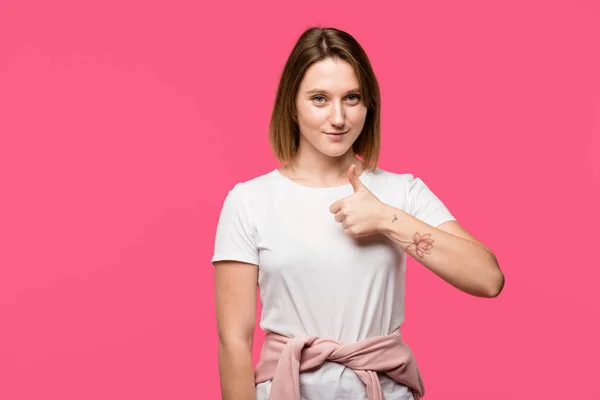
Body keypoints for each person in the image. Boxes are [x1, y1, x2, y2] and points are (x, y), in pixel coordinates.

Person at [211, 26, 504, 400]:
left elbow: (488, 278)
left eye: (352, 98)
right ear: (292, 105)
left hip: (381, 391)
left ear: (369, 105)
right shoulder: (249, 200)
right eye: (319, 99)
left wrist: (386, 218)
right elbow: (233, 342)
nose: (338, 117)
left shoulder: (402, 192)